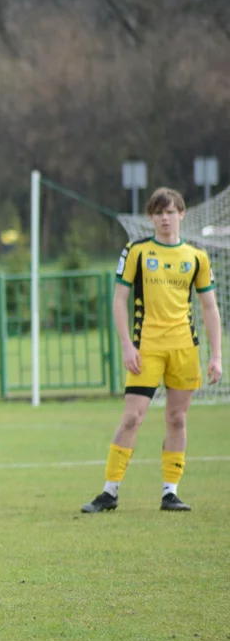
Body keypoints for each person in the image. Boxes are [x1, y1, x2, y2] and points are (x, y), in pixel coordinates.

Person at [81, 187, 222, 514]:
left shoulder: (196, 257)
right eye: (159, 213)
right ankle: (109, 492)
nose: (165, 218)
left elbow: (210, 308)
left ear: (181, 214)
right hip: (146, 348)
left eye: (171, 212)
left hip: (184, 348)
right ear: (151, 217)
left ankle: (170, 493)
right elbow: (119, 300)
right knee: (132, 417)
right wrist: (127, 345)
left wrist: (216, 356)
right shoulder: (136, 251)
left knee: (177, 417)